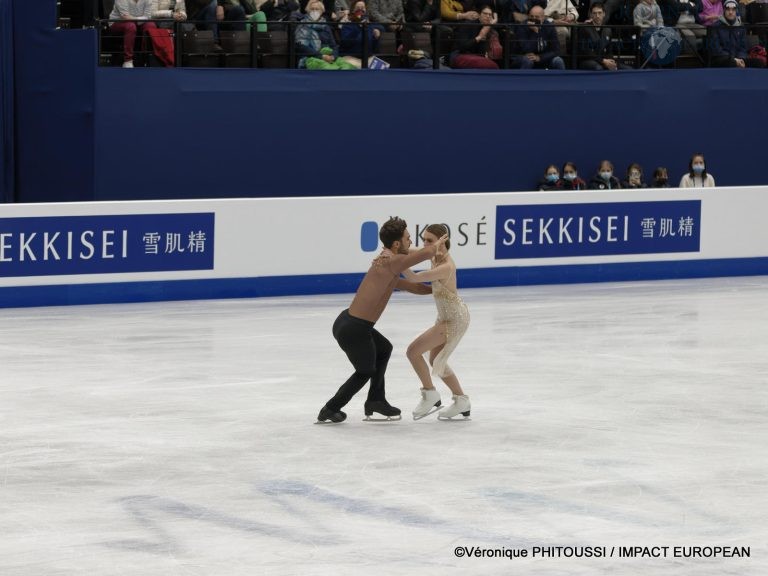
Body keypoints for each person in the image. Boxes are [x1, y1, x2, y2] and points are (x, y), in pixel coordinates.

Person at [317, 217, 449, 424]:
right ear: (397, 244)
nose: (410, 243)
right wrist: (439, 244)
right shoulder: (392, 261)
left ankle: (376, 401)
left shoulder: (389, 261)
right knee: (365, 371)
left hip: (353, 323)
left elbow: (413, 287)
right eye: (407, 239)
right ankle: (330, 408)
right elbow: (426, 253)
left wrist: (441, 290)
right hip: (354, 329)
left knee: (384, 349)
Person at [403, 224, 471, 421]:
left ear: (443, 240)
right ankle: (461, 400)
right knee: (435, 360)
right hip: (445, 316)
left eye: (430, 240)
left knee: (413, 351)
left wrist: (397, 265)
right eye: (423, 239)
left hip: (455, 319)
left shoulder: (446, 267)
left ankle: (430, 394)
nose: (425, 244)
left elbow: (414, 277)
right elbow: (407, 250)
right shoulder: (433, 256)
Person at [710, 0, 767, 67]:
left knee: (760, 63)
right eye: (728, 10)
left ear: (736, 11)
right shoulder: (715, 27)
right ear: (724, 11)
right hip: (722, 59)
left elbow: (743, 47)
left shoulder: (741, 27)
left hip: (738, 59)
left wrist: (740, 59)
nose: (730, 12)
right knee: (731, 63)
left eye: (733, 10)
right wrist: (734, 60)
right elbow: (716, 49)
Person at [110, 0, 157, 68]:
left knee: (151, 25)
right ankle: (128, 60)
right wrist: (141, 19)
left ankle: (147, 58)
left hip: (138, 23)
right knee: (131, 26)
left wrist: (139, 20)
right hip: (118, 22)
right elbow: (125, 17)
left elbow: (148, 16)